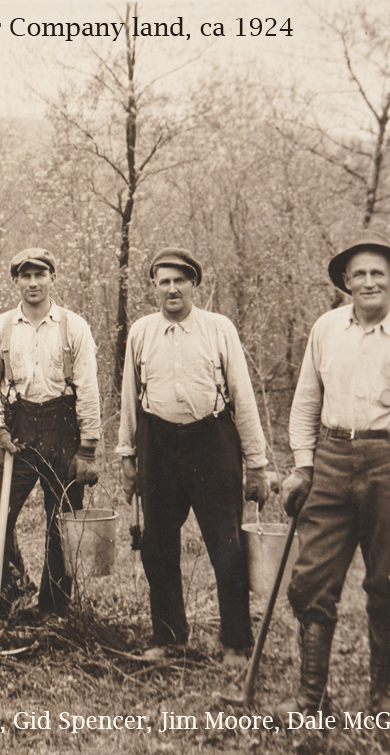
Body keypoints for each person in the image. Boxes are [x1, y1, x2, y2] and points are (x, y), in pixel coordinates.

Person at [274, 230, 390, 718]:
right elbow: (306, 401)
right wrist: (302, 465)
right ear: (346, 281)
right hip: (331, 460)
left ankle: (379, 699)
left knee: (385, 585)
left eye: (378, 273)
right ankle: (311, 698)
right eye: (359, 274)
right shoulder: (326, 328)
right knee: (309, 581)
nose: (369, 282)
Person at [116, 248, 269, 667]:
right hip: (157, 443)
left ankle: (235, 643)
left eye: (179, 281)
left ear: (193, 285)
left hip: (212, 441)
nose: (172, 289)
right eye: (163, 281)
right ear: (154, 287)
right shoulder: (141, 332)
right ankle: (168, 638)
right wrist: (127, 454)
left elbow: (242, 396)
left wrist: (256, 463)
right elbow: (129, 397)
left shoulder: (219, 329)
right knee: (157, 545)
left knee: (227, 544)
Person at [0, 247, 101, 639]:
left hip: (62, 431)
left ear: (53, 278)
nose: (33, 283)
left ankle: (53, 610)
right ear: (16, 281)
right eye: (26, 276)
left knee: (61, 523)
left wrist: (87, 449)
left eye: (40, 275)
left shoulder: (74, 327)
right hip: (15, 433)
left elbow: (88, 390)